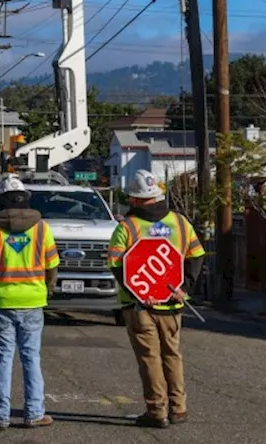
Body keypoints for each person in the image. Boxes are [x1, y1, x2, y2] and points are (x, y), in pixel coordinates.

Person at [108, 169, 206, 428]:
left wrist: (139, 291)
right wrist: (185, 288)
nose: (129, 201)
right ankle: (179, 409)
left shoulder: (127, 227)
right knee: (172, 355)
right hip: (172, 303)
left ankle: (156, 412)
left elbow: (116, 265)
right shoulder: (181, 223)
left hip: (140, 305)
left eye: (131, 197)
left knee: (150, 358)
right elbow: (196, 256)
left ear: (138, 199)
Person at [0, 175, 60, 430]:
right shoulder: (42, 228)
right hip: (32, 302)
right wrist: (47, 290)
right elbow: (52, 265)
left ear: (2, 201)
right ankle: (34, 413)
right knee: (31, 358)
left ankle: (0, 415)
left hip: (0, 302)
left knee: (3, 358)